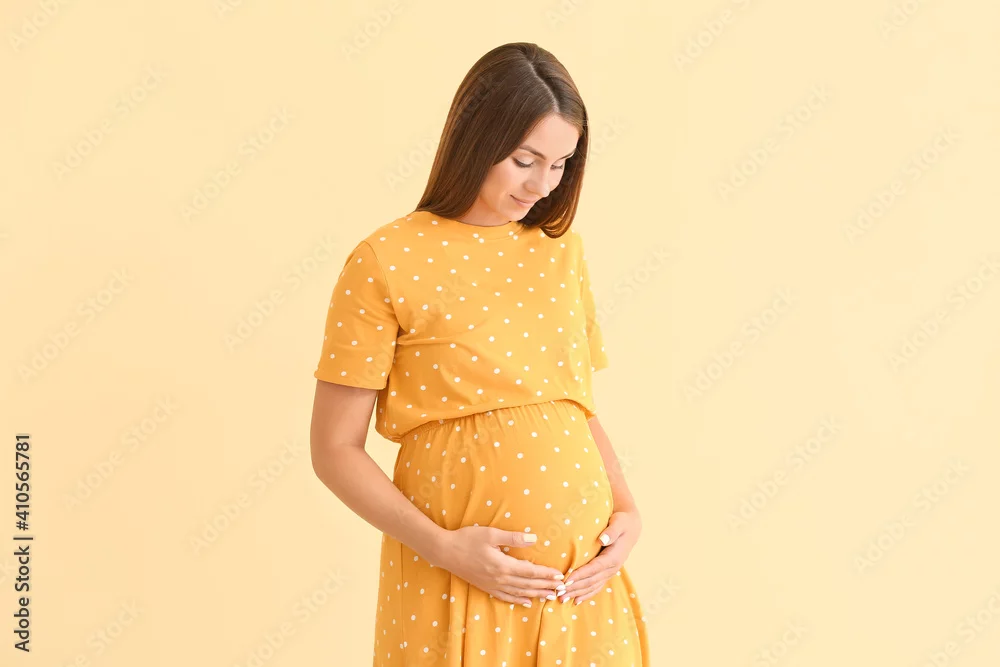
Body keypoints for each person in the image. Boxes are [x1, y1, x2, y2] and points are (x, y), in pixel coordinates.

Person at [309, 42, 650, 666]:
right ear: (475, 137)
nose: (542, 185)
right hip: (454, 577)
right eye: (525, 160)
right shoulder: (385, 259)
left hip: (580, 586)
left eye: (561, 164)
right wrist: (443, 548)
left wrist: (625, 507)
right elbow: (334, 449)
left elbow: (573, 407)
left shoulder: (561, 252)